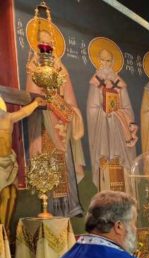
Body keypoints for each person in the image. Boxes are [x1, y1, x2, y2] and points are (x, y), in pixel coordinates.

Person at [26, 29, 86, 217]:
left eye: (50, 43)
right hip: (45, 123)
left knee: (64, 162)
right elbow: (33, 97)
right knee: (48, 161)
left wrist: (69, 111)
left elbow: (70, 101)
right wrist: (46, 98)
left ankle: (70, 206)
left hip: (61, 124)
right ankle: (50, 208)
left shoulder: (61, 69)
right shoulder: (33, 68)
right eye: (43, 43)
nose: (47, 47)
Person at [87, 42, 138, 190]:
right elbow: (91, 109)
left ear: (113, 62)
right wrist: (103, 113)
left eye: (108, 61)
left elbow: (127, 109)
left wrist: (117, 113)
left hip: (119, 130)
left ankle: (125, 195)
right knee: (105, 163)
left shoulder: (119, 84)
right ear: (98, 61)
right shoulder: (95, 83)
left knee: (121, 164)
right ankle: (106, 194)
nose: (105, 64)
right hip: (102, 130)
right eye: (102, 60)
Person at [0, 95, 44, 227]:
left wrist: (36, 103)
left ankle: (6, 229)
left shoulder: (7, 117)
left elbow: (23, 112)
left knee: (13, 195)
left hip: (9, 162)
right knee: (6, 195)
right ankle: (1, 230)